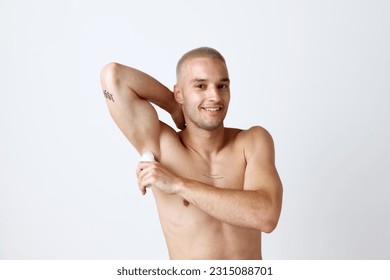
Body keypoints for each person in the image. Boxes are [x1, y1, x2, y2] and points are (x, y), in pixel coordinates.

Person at [100, 47, 283, 260]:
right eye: (200, 86)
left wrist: (178, 184)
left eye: (222, 86)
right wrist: (172, 106)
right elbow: (113, 76)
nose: (214, 96)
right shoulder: (162, 146)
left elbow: (266, 216)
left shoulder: (252, 142)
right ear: (180, 93)